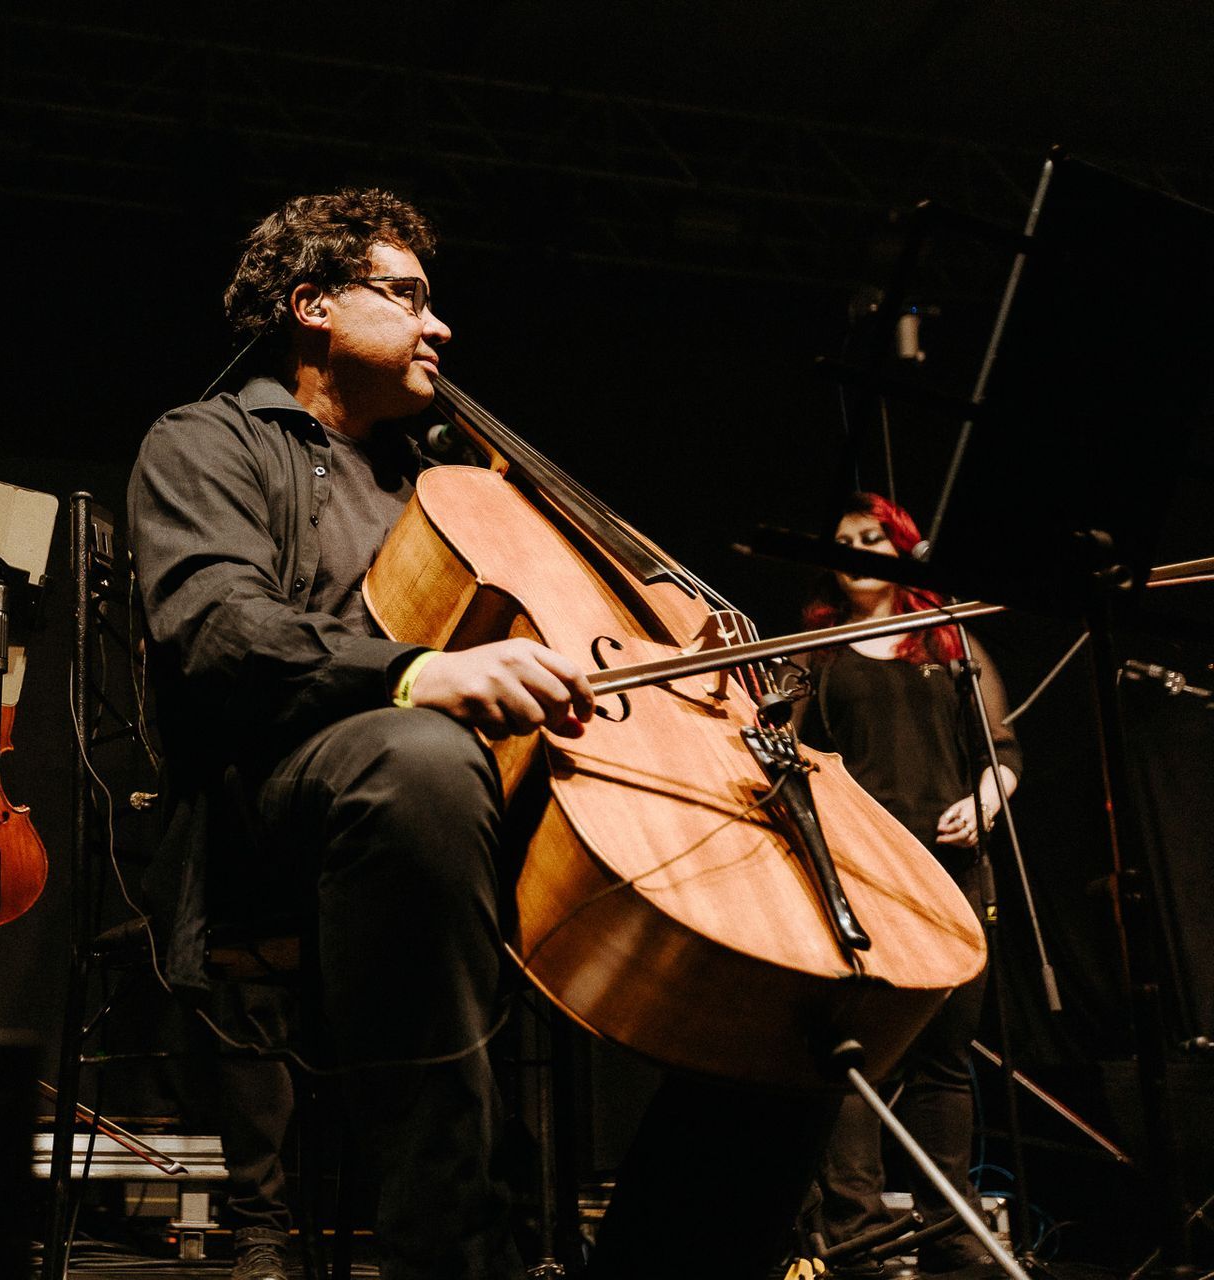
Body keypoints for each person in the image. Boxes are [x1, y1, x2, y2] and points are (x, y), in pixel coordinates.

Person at [128, 188, 836, 1280]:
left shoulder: (453, 479)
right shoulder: (207, 442)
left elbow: (589, 628)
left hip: (478, 806)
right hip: (279, 812)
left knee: (772, 897)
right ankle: (454, 1250)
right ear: (312, 305)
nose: (439, 325)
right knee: (421, 756)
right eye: (407, 296)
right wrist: (420, 671)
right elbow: (220, 633)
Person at [797, 491, 1022, 1274]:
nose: (858, 549)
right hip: (861, 872)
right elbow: (788, 759)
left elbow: (1005, 752)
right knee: (857, 1053)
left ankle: (951, 1228)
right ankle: (856, 1233)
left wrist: (986, 802)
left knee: (944, 1059)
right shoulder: (817, 652)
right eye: (845, 539)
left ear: (901, 549)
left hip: (955, 870)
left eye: (873, 537)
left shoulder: (950, 642)